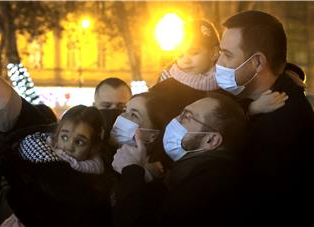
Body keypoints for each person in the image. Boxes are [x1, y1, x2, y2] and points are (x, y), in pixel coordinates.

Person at [214, 10, 314, 225]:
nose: (218, 62)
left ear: (258, 63)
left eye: (227, 55)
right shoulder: (263, 97)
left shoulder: (283, 128)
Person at [111, 93, 248, 226]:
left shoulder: (211, 186)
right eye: (181, 113)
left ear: (211, 140)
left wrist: (131, 170)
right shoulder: (190, 174)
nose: (175, 120)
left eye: (187, 117)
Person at [158, 18, 288, 117]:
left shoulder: (225, 79)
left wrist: (288, 73)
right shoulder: (168, 80)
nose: (185, 60)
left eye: (194, 53)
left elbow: (230, 111)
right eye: (180, 54)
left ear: (213, 53)